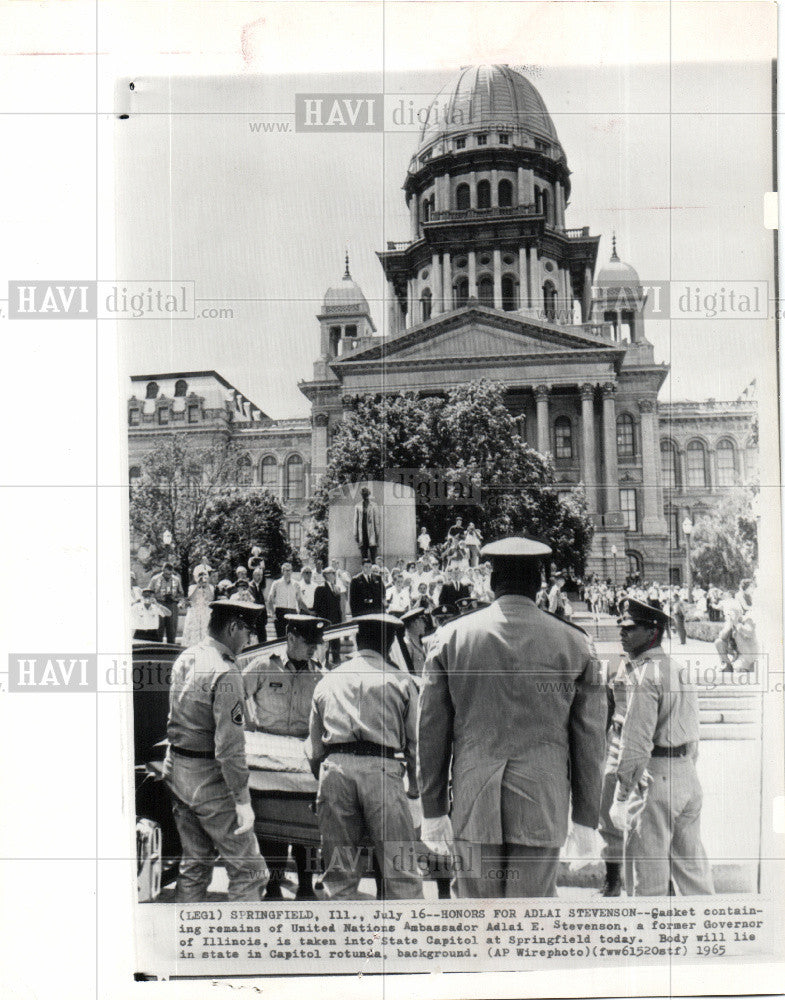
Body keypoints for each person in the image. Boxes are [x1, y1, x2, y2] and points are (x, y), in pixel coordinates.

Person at [418, 537, 606, 898]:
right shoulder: (577, 644)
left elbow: (430, 731)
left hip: (474, 800)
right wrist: (585, 818)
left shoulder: (450, 637)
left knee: (476, 926)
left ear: (491, 582)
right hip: (542, 801)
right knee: (531, 925)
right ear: (539, 584)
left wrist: (432, 808)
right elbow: (591, 740)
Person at [306, 613, 423, 900]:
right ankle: (409, 939)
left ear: (358, 640)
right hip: (381, 771)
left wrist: (323, 779)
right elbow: (415, 743)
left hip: (336, 769)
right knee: (401, 873)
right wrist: (414, 787)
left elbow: (314, 749)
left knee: (339, 876)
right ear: (389, 644)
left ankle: (341, 939)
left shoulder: (328, 680)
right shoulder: (401, 681)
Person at [162, 600, 269, 902]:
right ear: (233, 627)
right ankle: (239, 948)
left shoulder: (188, 655)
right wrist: (242, 800)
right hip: (208, 779)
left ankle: (185, 941)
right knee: (250, 872)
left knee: (195, 864)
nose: (249, 640)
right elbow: (229, 748)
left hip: (177, 767)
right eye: (248, 631)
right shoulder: (225, 671)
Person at [609, 598, 714, 897]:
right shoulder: (677, 668)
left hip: (655, 776)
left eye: (631, 628)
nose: (622, 632)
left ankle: (649, 942)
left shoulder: (644, 674)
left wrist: (621, 795)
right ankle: (709, 938)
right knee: (695, 878)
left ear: (653, 632)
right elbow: (693, 733)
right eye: (621, 627)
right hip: (685, 775)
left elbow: (637, 741)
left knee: (648, 885)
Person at [242, 614, 328, 899]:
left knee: (306, 825)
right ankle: (273, 886)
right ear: (290, 638)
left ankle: (305, 886)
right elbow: (235, 696)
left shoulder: (320, 673)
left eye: (316, 643)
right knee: (270, 825)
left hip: (304, 756)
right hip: (267, 756)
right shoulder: (264, 666)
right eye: (308, 642)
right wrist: (248, 728)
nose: (314, 648)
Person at [715, 578, 757, 674]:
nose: (753, 588)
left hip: (748, 619)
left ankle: (742, 659)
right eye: (751, 586)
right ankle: (727, 662)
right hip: (740, 618)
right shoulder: (739, 595)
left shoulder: (752, 595)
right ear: (745, 587)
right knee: (724, 636)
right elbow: (744, 608)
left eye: (753, 586)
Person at [313, 565, 344, 666]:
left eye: (334, 573)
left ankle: (336, 662)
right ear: (325, 575)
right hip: (325, 622)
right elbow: (317, 607)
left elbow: (338, 606)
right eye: (332, 573)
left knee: (336, 644)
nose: (334, 575)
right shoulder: (320, 588)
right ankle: (324, 664)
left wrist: (340, 619)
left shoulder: (336, 588)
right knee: (325, 645)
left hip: (335, 622)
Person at [149, 562, 185, 643]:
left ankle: (171, 647)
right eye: (166, 574)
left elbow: (181, 593)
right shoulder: (155, 579)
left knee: (172, 628)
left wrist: (178, 600)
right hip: (159, 604)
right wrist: (154, 600)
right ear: (163, 571)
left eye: (170, 574)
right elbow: (149, 592)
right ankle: (158, 647)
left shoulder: (176, 579)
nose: (168, 576)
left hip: (172, 604)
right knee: (159, 627)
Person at [181, 571, 214, 647]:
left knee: (205, 630)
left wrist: (206, 586)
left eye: (204, 576)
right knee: (193, 631)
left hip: (205, 611)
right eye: (200, 576)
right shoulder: (192, 587)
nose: (202, 578)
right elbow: (191, 598)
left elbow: (210, 598)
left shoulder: (210, 587)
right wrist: (198, 586)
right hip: (195, 611)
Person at [266, 562, 299, 638]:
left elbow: (299, 600)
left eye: (289, 570)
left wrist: (298, 612)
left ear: (292, 571)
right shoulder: (276, 583)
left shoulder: (296, 584)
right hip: (280, 612)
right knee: (280, 639)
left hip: (292, 612)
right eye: (286, 570)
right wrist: (273, 614)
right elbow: (269, 600)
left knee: (292, 638)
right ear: (282, 571)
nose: (288, 572)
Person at [399, 606, 429, 676]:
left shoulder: (420, 642)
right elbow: (406, 672)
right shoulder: (406, 645)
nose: (425, 625)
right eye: (423, 621)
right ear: (416, 623)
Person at [353, 485, 381, 562]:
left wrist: (377, 536)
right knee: (364, 558)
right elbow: (356, 521)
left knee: (373, 558)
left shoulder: (374, 505)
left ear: (368, 494)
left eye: (366, 493)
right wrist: (356, 535)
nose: (364, 495)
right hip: (362, 534)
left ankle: (373, 572)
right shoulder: (358, 506)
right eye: (363, 494)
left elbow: (377, 522)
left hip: (372, 534)